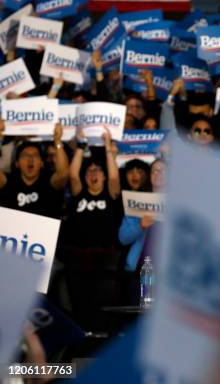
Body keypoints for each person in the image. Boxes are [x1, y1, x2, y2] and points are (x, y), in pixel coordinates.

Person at [60, 128, 122, 331]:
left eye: (98, 171)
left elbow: (114, 177)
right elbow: (72, 173)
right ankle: (82, 339)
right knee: (79, 301)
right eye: (89, 171)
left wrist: (107, 147)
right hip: (78, 259)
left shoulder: (111, 194)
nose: (93, 174)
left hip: (106, 259)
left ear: (103, 177)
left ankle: (101, 340)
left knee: (103, 302)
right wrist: (80, 146)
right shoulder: (78, 193)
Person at [118, 158, 166, 305]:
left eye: (164, 170)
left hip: (168, 273)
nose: (159, 174)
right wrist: (141, 226)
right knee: (141, 316)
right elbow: (123, 238)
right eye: (154, 170)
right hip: (142, 270)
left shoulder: (179, 203)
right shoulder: (137, 201)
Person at [0, 122, 69, 218]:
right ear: (17, 163)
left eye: (35, 155)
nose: (30, 159)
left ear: (41, 163)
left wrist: (57, 141)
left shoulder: (49, 182)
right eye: (25, 155)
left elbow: (64, 174)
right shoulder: (8, 182)